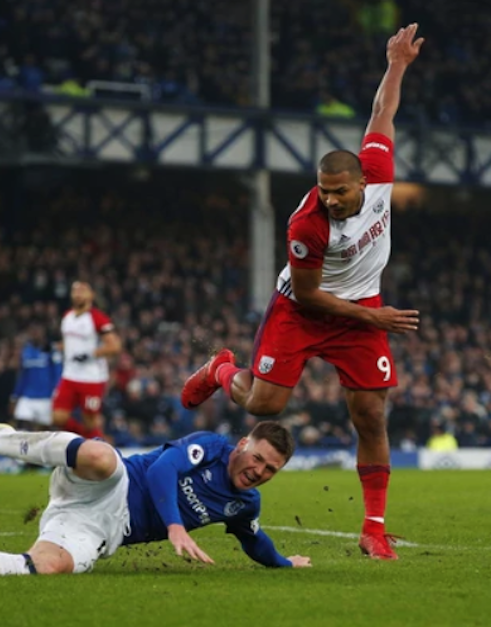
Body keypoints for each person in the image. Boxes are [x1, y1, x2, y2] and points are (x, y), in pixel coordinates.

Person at [180, 24, 425, 561]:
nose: (331, 199)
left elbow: (382, 112)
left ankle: (374, 528)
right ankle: (222, 368)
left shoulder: (379, 171)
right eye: (324, 190)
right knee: (265, 404)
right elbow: (311, 297)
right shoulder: (306, 227)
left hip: (360, 310)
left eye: (340, 191)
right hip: (304, 309)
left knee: (371, 415)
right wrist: (376, 318)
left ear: (363, 183)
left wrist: (397, 63)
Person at [0, 420, 311, 577]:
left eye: (270, 470)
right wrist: (175, 525)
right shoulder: (211, 448)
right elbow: (164, 469)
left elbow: (253, 539)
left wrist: (283, 562)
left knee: (48, 567)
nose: (258, 471)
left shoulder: (245, 503)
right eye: (257, 458)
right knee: (99, 455)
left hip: (101, 530)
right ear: (242, 444)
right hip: (112, 484)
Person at [52, 281, 122, 439]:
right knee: (58, 417)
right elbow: (70, 343)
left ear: (91, 295)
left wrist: (89, 354)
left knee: (90, 423)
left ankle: (102, 449)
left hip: (92, 378)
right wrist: (60, 347)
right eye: (74, 290)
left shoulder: (97, 318)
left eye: (82, 290)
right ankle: (88, 443)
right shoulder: (67, 316)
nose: (77, 294)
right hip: (69, 375)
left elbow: (115, 346)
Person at [11, 322, 63, 429]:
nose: (35, 333)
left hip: (46, 397)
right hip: (27, 397)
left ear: (43, 333)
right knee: (22, 424)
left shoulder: (52, 350)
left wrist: (57, 393)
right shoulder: (26, 351)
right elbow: (23, 375)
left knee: (45, 429)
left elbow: (58, 373)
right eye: (33, 331)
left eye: (37, 331)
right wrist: (15, 395)